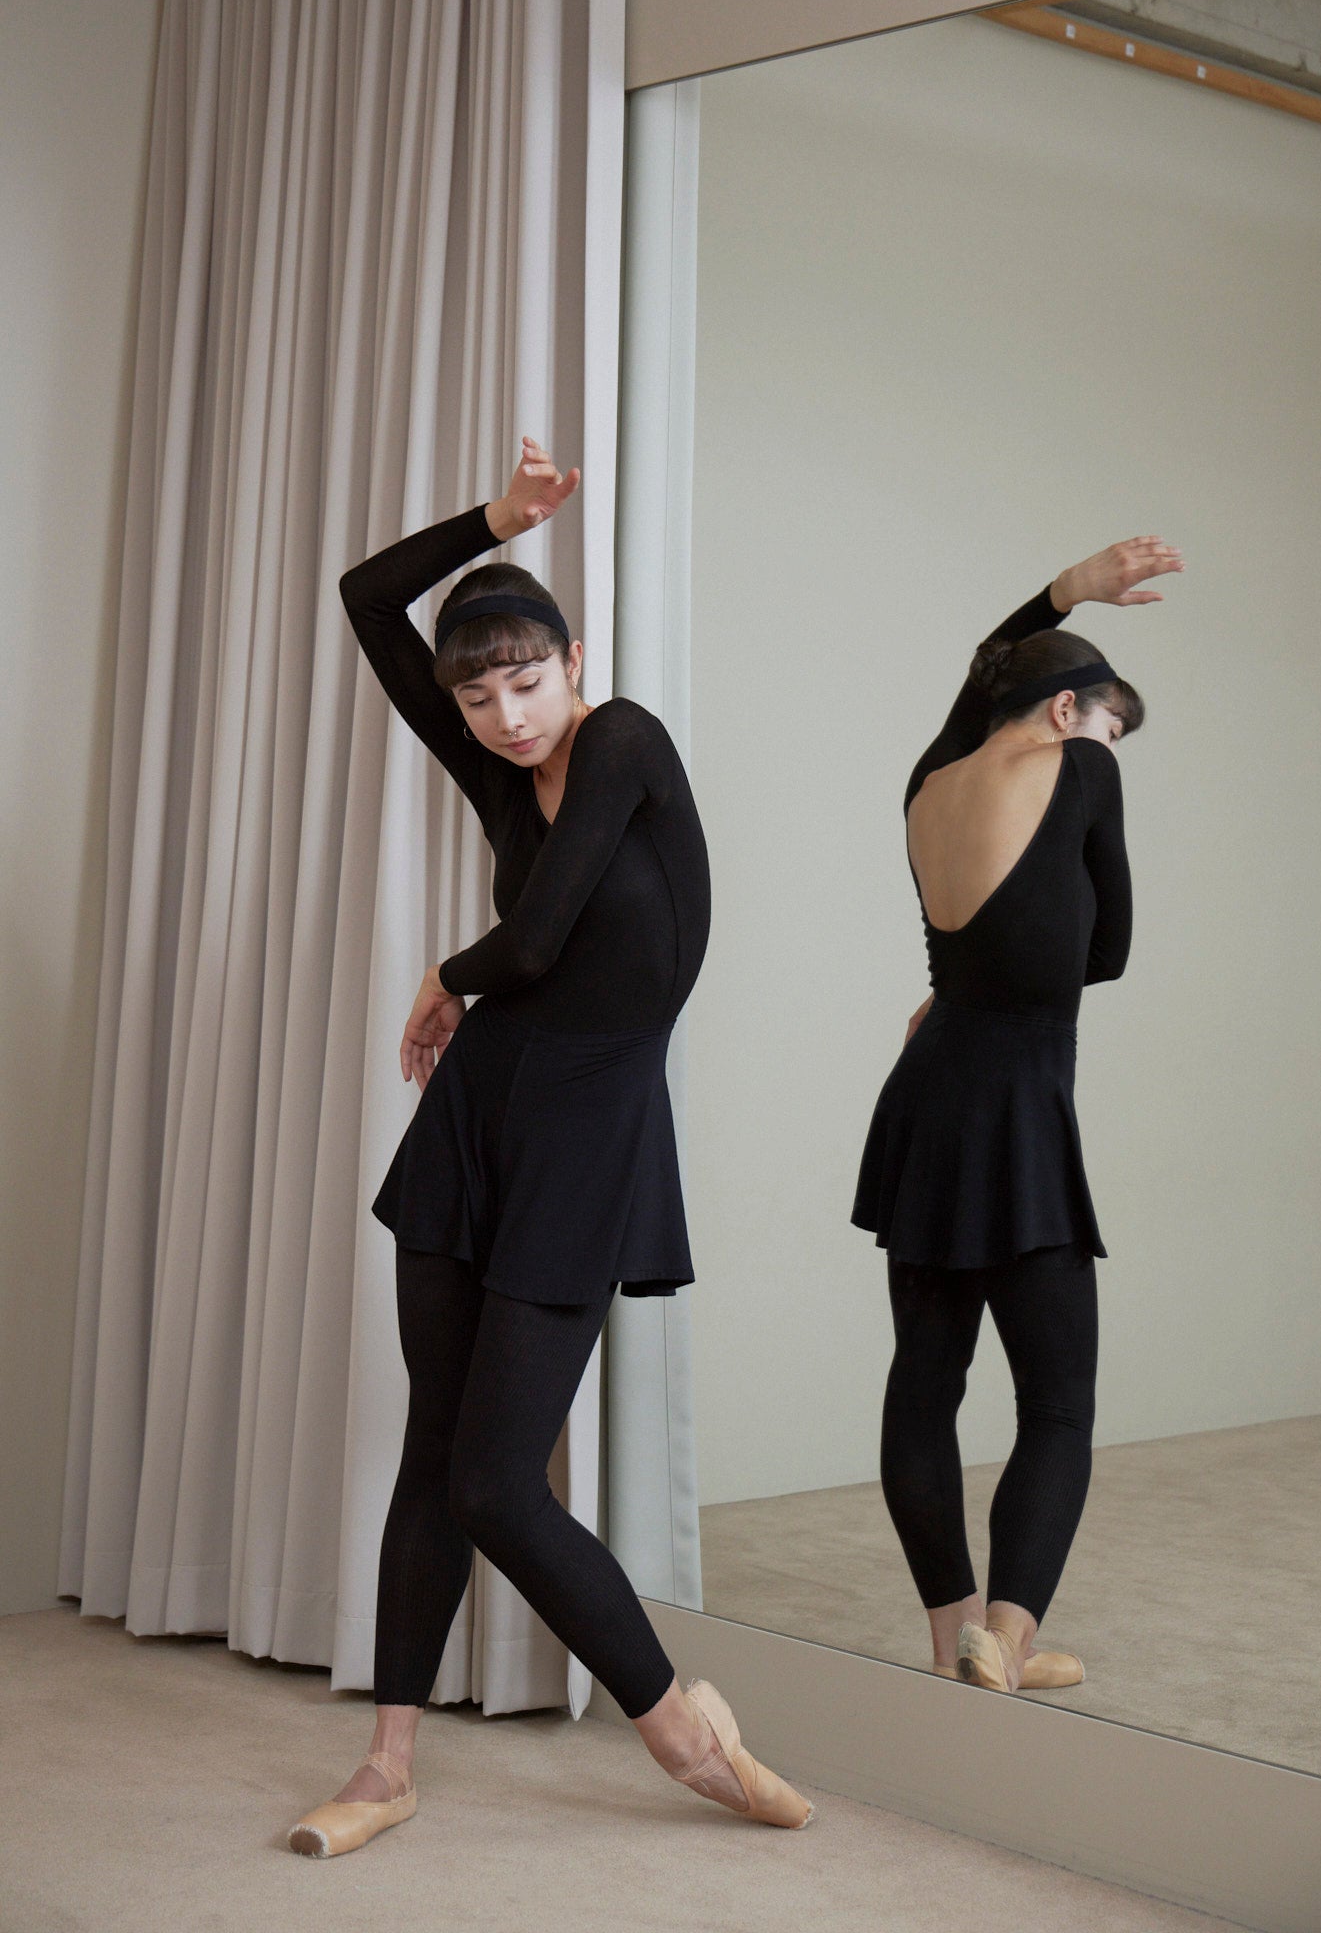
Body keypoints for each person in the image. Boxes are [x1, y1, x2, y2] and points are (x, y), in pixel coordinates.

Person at [287, 440, 812, 1857]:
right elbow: (364, 595)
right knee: (435, 1450)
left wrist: (443, 973)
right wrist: (492, 519)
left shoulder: (624, 739)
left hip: (586, 1139)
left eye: (525, 681)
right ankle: (387, 1765)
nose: (505, 716)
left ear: (574, 660)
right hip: (475, 1123)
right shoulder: (491, 764)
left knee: (494, 1479)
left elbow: (531, 942)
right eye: (476, 695)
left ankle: (677, 1727)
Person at [852, 536, 1181, 1694]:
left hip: (925, 1093)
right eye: (1106, 726)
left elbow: (981, 673)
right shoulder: (1080, 768)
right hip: (1016, 1104)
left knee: (923, 1379)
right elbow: (1108, 948)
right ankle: (1007, 1634)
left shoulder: (928, 779)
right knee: (1055, 1399)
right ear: (1064, 710)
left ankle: (952, 1638)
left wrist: (1067, 593)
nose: (1107, 750)